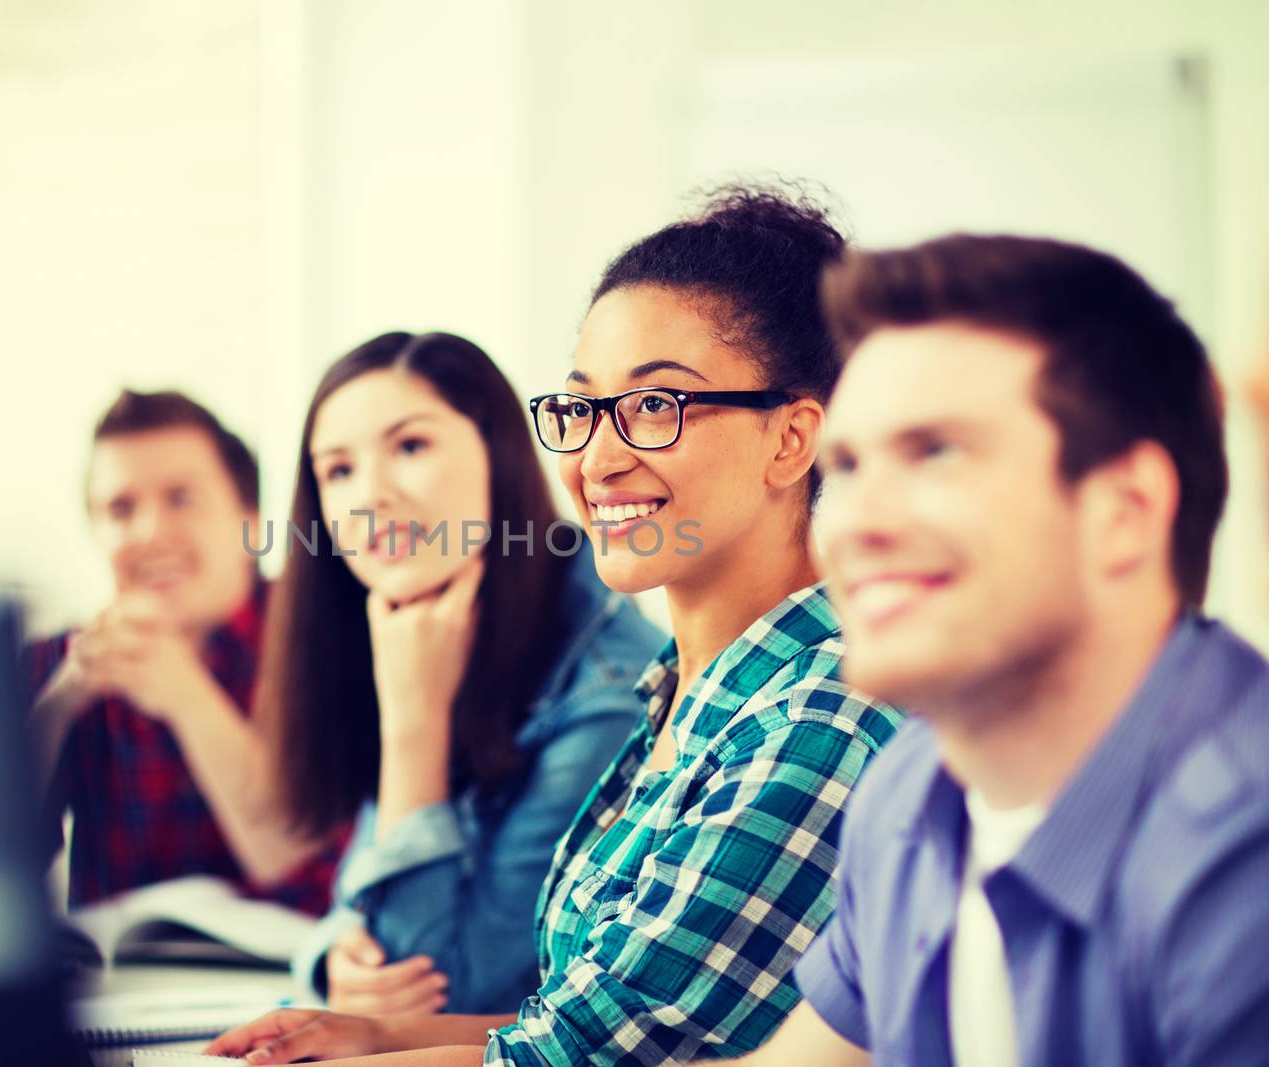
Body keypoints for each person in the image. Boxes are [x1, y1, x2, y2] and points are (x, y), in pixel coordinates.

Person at [208, 185, 905, 1066]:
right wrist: (374, 1028)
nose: (598, 459)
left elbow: (585, 1061)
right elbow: (582, 1018)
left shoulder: (821, 712)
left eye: (657, 406)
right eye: (582, 409)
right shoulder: (686, 695)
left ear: (792, 439)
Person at [721, 234, 1269, 1066]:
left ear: (1125, 510)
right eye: (849, 465)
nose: (856, 527)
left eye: (934, 452)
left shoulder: (1242, 852)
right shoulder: (910, 789)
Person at [262, 330, 664, 1015]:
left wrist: (414, 725)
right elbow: (360, 909)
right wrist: (330, 959)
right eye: (338, 470)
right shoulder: (416, 622)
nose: (369, 498)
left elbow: (446, 989)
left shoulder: (608, 686)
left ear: (498, 455)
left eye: (410, 447)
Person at [23, 389, 341, 912]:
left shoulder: (319, 638)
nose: (150, 533)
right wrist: (58, 706)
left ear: (250, 521)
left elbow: (311, 871)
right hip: (126, 987)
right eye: (120, 509)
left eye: (181, 499)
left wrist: (186, 695)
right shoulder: (60, 664)